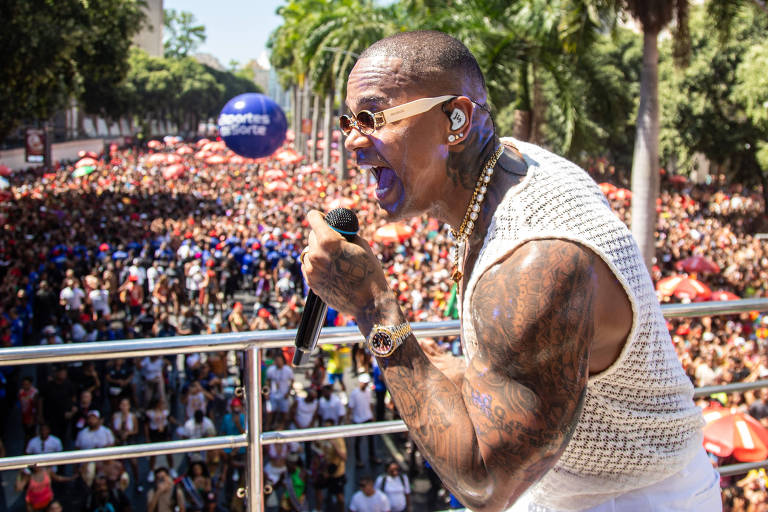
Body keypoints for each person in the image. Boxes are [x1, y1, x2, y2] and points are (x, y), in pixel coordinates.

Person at [300, 30, 720, 511]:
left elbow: (483, 484)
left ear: (455, 119)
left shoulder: (538, 259)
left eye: (373, 117)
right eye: (349, 120)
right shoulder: (512, 164)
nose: (354, 141)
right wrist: (458, 370)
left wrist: (373, 306)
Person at [348, 373, 380, 468]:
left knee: (371, 440)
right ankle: (358, 459)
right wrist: (349, 418)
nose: (365, 385)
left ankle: (372, 456)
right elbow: (350, 407)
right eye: (364, 383)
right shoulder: (354, 394)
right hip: (358, 420)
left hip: (368, 418)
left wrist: (372, 415)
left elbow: (370, 403)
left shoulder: (368, 392)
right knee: (358, 442)